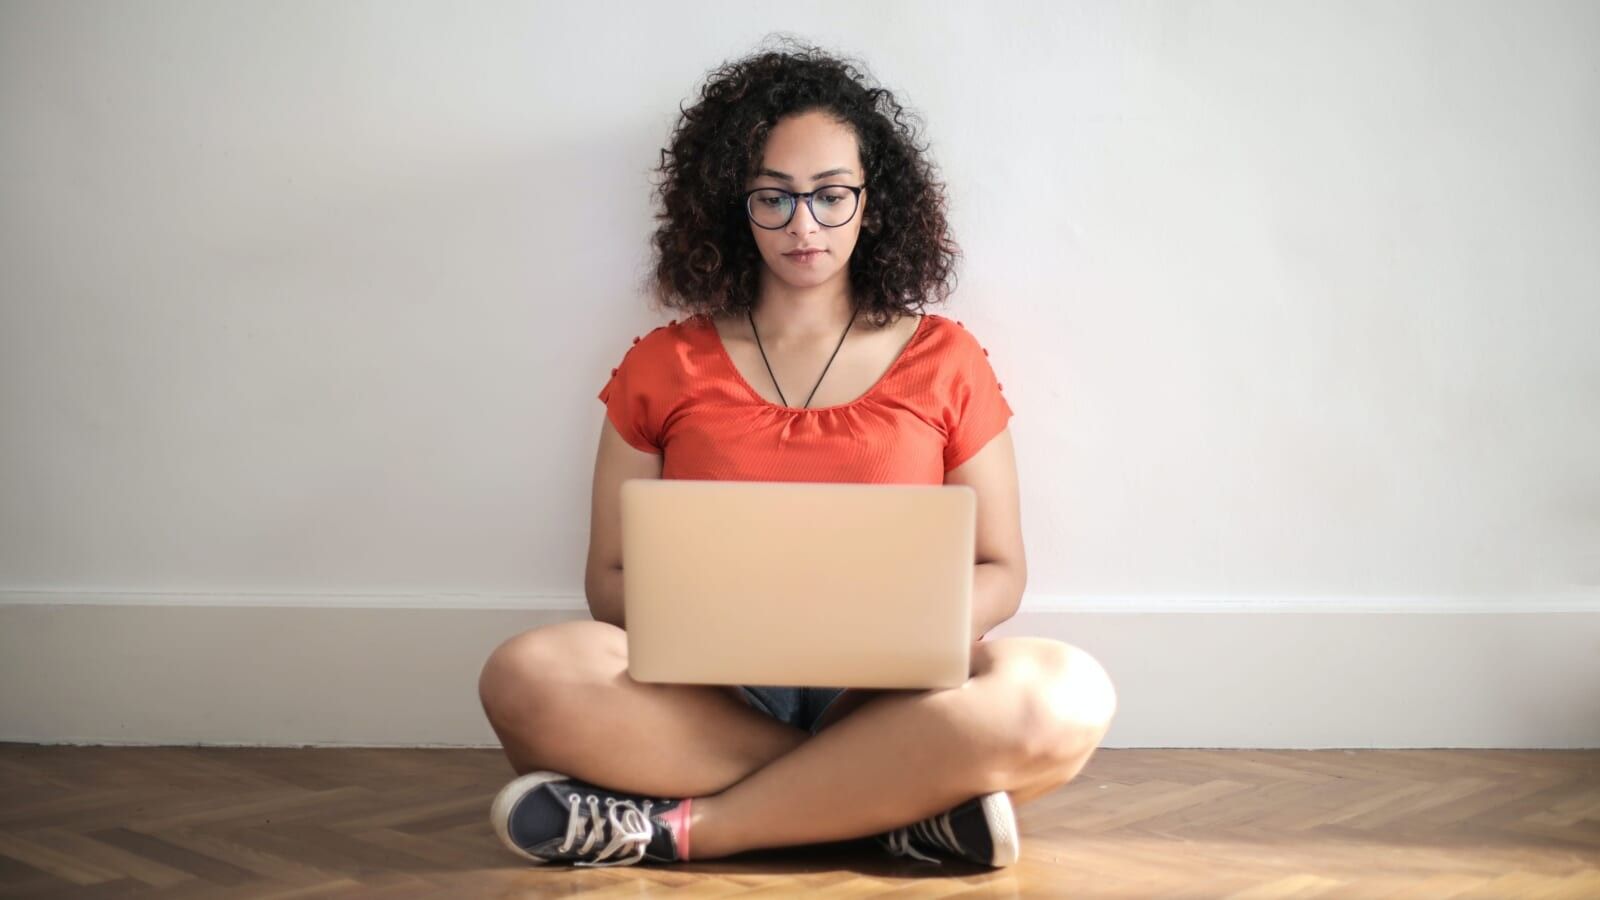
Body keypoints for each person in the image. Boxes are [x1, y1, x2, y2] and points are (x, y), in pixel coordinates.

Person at [477, 37, 1118, 869]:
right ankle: (890, 807)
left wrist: (898, 631)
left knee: (1063, 695)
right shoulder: (661, 364)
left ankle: (679, 829)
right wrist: (729, 626)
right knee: (527, 674)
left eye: (830, 196)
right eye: (773, 198)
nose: (803, 225)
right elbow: (608, 582)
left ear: (873, 202)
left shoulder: (946, 359)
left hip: (889, 694)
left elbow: (1000, 568)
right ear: (733, 208)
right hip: (710, 695)